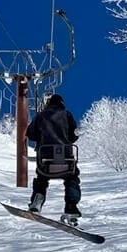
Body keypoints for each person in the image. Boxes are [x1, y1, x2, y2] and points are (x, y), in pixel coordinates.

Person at [24, 93, 82, 223]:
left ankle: (37, 202)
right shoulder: (67, 115)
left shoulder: (40, 116)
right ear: (61, 103)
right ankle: (71, 207)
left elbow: (31, 134)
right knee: (72, 178)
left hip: (45, 157)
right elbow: (73, 136)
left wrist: (42, 135)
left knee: (42, 179)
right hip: (65, 157)